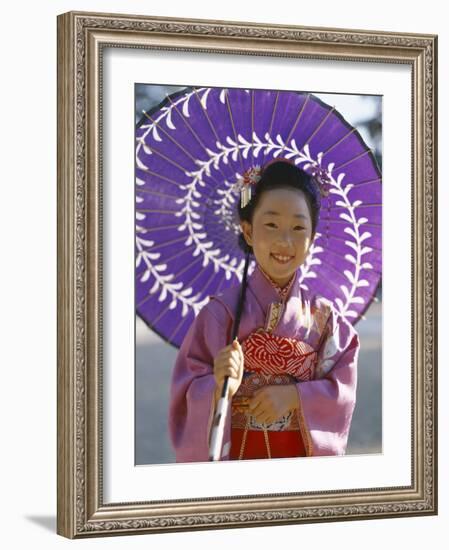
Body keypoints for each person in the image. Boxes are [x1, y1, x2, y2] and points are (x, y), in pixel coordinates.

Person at [168, 159, 360, 462]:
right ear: (247, 231)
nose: (285, 241)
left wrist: (296, 397)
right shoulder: (219, 315)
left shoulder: (325, 318)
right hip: (240, 456)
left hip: (300, 458)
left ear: (311, 238)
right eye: (271, 224)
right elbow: (186, 391)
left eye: (298, 227)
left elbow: (343, 390)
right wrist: (219, 384)